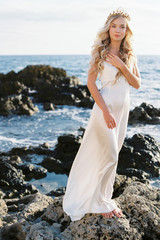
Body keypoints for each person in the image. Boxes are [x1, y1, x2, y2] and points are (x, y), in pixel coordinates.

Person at [62, 7, 141, 221]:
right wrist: (105, 112)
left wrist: (122, 66)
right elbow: (91, 84)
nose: (117, 30)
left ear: (127, 30)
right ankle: (98, 202)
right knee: (110, 154)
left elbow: (136, 84)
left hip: (122, 111)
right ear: (108, 29)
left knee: (111, 157)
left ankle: (104, 198)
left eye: (122, 26)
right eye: (114, 26)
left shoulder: (130, 54)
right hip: (104, 110)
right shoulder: (100, 52)